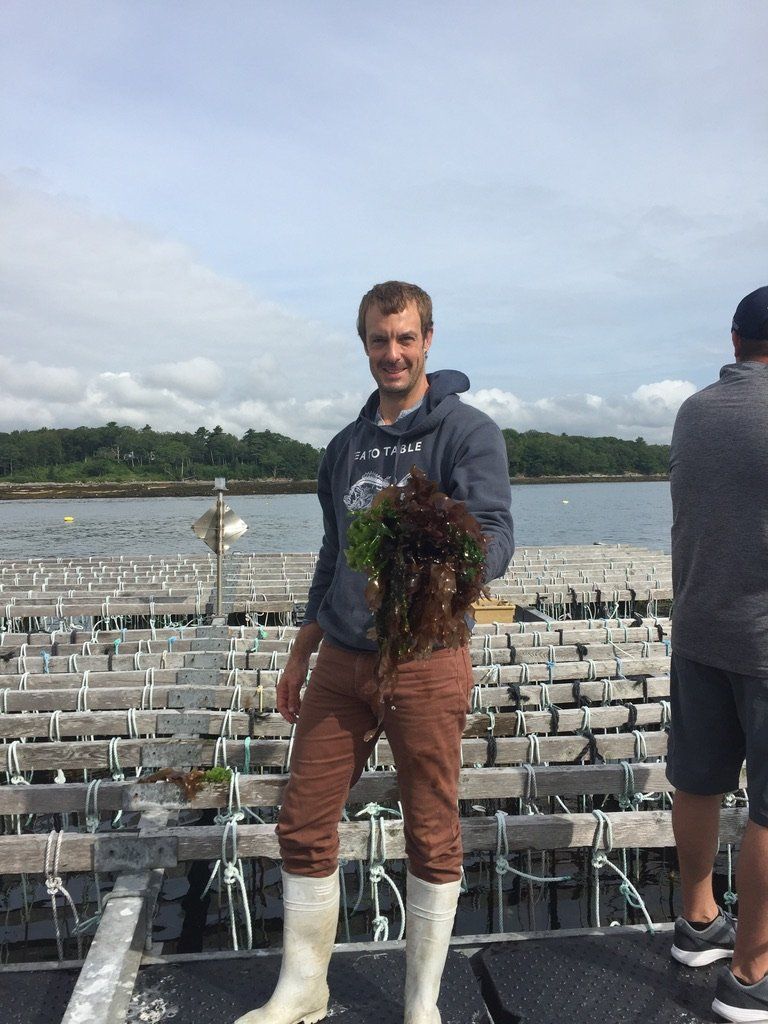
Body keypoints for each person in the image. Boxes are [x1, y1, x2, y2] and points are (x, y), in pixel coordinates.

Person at [235, 281, 514, 1024]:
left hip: (427, 657)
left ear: (428, 340)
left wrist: (450, 562)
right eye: (378, 341)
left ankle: (421, 1002)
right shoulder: (344, 447)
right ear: (363, 344)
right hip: (344, 659)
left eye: (405, 339)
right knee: (302, 818)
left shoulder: (469, 432)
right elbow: (333, 554)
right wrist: (300, 653)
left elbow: (496, 535)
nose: (392, 353)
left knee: (431, 828)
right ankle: (304, 988)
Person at [667, 285, 768, 1023]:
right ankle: (752, 971)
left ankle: (698, 923)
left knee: (698, 779)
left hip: (699, 630)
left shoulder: (693, 412)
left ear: (734, 341)